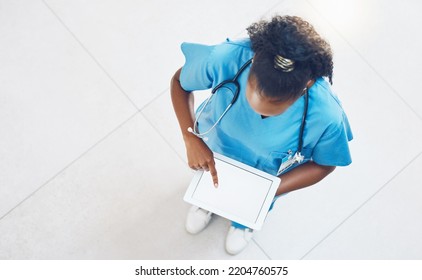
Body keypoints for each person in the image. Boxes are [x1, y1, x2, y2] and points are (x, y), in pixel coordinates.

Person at [170, 15, 353, 255]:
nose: (259, 103)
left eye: (276, 102)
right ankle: (207, 203)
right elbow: (179, 83)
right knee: (209, 185)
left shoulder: (326, 114)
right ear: (254, 59)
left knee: (252, 206)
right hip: (214, 150)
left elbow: (325, 164)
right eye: (255, 88)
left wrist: (267, 191)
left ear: (306, 85)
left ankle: (242, 223)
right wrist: (190, 137)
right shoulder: (228, 58)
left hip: (265, 174)